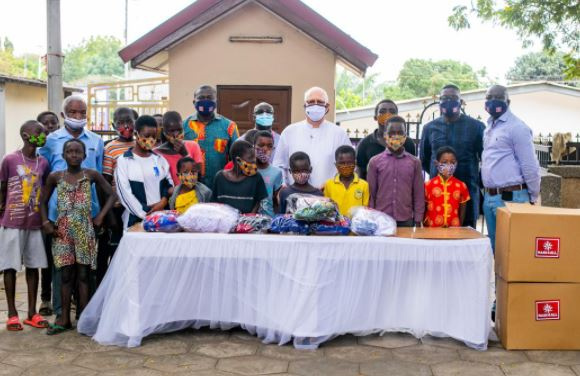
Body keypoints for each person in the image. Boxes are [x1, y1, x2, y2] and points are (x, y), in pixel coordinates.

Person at [38, 95, 104, 322]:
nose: (78, 117)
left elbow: (101, 176)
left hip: (88, 213)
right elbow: (43, 174)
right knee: (62, 268)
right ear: (64, 115)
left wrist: (100, 215)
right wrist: (45, 218)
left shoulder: (96, 141)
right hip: (59, 214)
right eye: (73, 112)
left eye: (82, 112)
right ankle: (60, 313)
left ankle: (85, 316)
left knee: (87, 270)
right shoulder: (51, 140)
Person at [40, 138, 116, 335]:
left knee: (84, 274)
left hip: (84, 228)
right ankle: (64, 318)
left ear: (84, 155)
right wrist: (46, 222)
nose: (74, 155)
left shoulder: (91, 174)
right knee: (66, 275)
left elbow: (112, 195)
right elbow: (42, 201)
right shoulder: (55, 177)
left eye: (78, 152)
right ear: (63, 155)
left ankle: (84, 318)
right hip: (62, 230)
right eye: (70, 152)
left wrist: (100, 216)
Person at [0, 121, 50, 331]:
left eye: (45, 133)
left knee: (33, 265)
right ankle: (12, 313)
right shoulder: (10, 159)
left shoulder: (44, 162)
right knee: (10, 266)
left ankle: (32, 313)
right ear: (25, 135)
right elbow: (2, 186)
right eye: (39, 132)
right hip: (12, 221)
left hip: (35, 222)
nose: (43, 135)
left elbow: (45, 191)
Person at [481, 85, 540, 250]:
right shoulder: (489, 128)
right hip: (490, 197)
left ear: (508, 101)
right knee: (495, 249)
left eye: (497, 97)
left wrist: (533, 197)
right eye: (488, 97)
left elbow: (530, 165)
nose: (492, 101)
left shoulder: (518, 128)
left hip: (512, 198)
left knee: (512, 250)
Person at [419, 84, 485, 228]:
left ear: (461, 102)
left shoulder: (476, 127)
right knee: (436, 240)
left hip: (466, 196)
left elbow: (485, 160)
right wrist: (443, 175)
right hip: (438, 196)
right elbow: (424, 160)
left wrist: (474, 180)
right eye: (444, 98)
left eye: (453, 98)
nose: (448, 101)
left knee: (466, 238)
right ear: (439, 102)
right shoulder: (429, 128)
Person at [273, 87, 351, 188]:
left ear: (327, 107)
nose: (315, 105)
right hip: (295, 195)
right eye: (311, 102)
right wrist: (283, 185)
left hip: (328, 195)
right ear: (305, 106)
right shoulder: (289, 132)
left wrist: (332, 185)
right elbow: (279, 164)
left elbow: (348, 165)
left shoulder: (339, 134)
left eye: (319, 102)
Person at [99, 107, 136, 286]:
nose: (126, 126)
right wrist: (109, 214)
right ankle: (113, 288)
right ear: (114, 125)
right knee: (114, 251)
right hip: (117, 207)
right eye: (121, 123)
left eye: (129, 122)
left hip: (135, 207)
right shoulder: (110, 148)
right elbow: (105, 181)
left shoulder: (140, 144)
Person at [115, 115, 173, 229]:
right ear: (136, 134)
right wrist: (146, 213)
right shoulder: (124, 161)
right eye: (146, 136)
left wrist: (163, 202)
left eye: (154, 136)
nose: (151, 139)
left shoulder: (160, 160)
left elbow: (170, 184)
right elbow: (125, 194)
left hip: (161, 219)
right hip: (135, 220)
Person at [367, 116, 425, 227]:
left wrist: (418, 219)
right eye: (392, 132)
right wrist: (371, 216)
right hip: (381, 219)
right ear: (385, 135)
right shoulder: (374, 162)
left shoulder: (415, 163)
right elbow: (371, 194)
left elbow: (418, 194)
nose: (396, 136)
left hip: (406, 219)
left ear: (405, 135)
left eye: (400, 132)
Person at [183, 85, 239, 188]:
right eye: (201, 98)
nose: (205, 100)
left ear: (216, 102)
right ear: (194, 102)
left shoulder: (229, 126)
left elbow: (236, 158)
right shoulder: (184, 126)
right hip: (191, 186)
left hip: (220, 185)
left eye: (209, 97)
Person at [36, 111, 60, 315]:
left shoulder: (62, 148)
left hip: (61, 208)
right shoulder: (37, 155)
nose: (50, 126)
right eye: (45, 124)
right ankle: (45, 299)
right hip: (43, 210)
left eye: (54, 123)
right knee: (46, 258)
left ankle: (62, 297)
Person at [356, 100, 416, 180]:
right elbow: (361, 174)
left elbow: (412, 172)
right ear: (375, 117)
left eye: (392, 111)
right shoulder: (365, 144)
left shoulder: (408, 143)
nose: (387, 114)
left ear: (396, 116)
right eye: (382, 111)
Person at [211, 140, 268, 214]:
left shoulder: (256, 177)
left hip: (247, 223)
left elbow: (259, 201)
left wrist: (249, 218)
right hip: (224, 222)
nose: (254, 160)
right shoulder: (220, 177)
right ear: (238, 160)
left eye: (254, 157)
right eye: (250, 157)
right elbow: (214, 203)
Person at [424, 146, 470, 227]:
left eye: (452, 162)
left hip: (454, 227)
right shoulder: (428, 185)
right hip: (432, 228)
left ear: (456, 164)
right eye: (445, 162)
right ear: (436, 163)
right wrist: (424, 223)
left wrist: (460, 225)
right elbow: (423, 207)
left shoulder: (461, 185)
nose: (449, 165)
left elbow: (463, 209)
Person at [155, 111, 203, 185]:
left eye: (179, 130)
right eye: (172, 131)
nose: (176, 134)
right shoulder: (156, 153)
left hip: (190, 195)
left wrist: (185, 154)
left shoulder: (193, 146)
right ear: (164, 131)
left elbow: (198, 179)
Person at [324, 145, 369, 217]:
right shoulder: (328, 184)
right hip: (336, 226)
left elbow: (366, 209)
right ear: (336, 165)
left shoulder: (364, 185)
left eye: (349, 162)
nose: (346, 166)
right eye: (342, 163)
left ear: (355, 163)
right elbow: (326, 208)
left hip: (356, 226)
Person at [253, 130, 283, 217]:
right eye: (261, 145)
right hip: (249, 220)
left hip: (269, 220)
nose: (265, 149)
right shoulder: (247, 169)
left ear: (273, 149)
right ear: (253, 146)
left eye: (269, 146)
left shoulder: (276, 172)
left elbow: (276, 202)